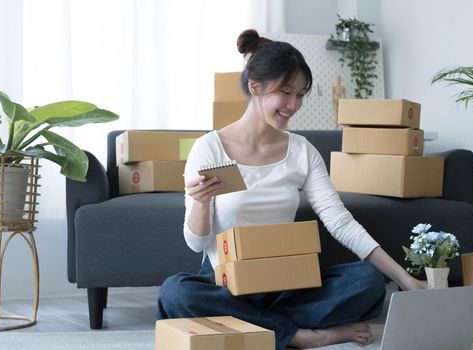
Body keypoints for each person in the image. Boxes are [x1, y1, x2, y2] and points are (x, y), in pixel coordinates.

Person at [157, 29, 425, 350]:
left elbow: (339, 221)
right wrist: (201, 204)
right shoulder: (210, 148)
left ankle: (253, 325)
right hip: (224, 281)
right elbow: (196, 243)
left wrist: (403, 278)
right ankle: (298, 335)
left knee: (367, 282)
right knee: (176, 293)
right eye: (286, 93)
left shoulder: (301, 150)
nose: (293, 105)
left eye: (300, 95)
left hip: (287, 282)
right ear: (255, 87)